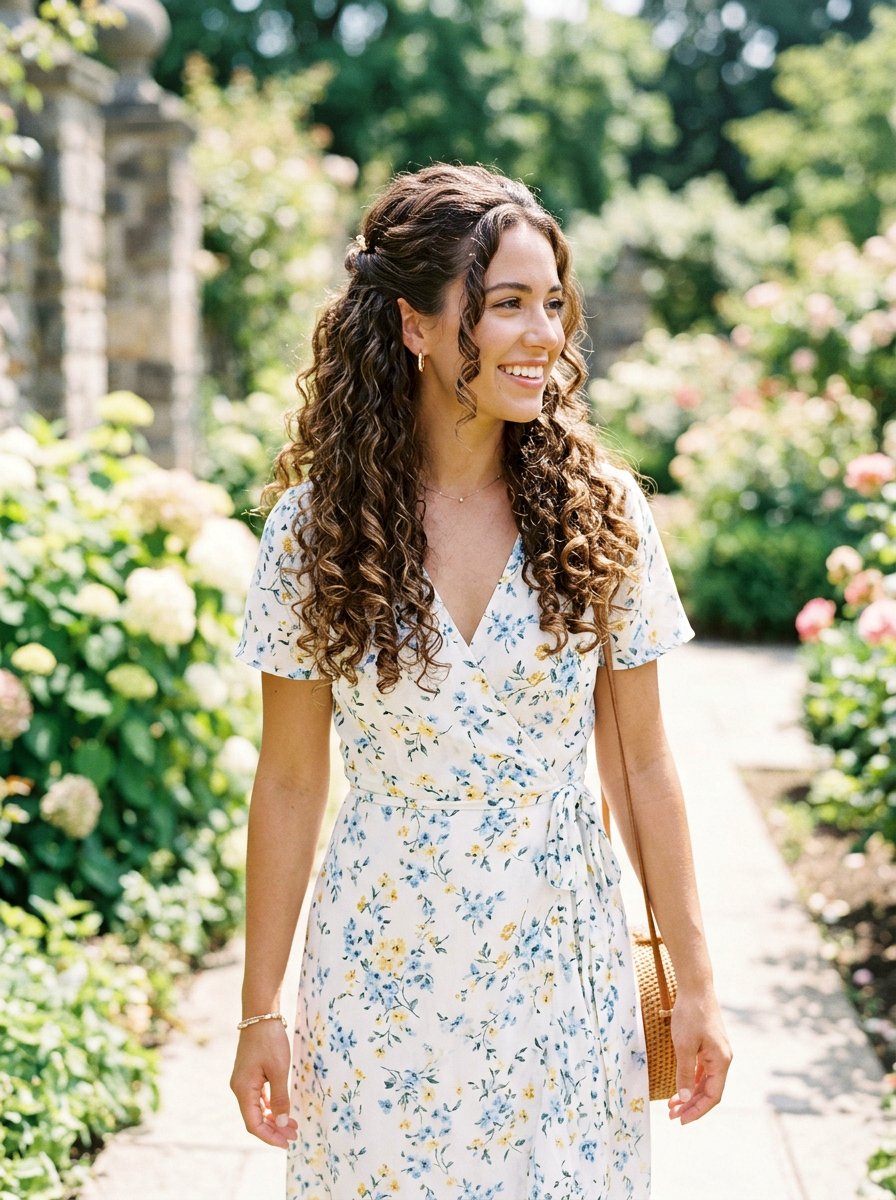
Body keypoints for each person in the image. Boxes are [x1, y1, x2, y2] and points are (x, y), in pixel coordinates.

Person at [229, 162, 731, 1199]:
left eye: (553, 302)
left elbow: (641, 764)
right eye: (506, 304)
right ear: (416, 326)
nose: (542, 333)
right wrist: (258, 1009)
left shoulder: (598, 512)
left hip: (563, 974)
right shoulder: (313, 532)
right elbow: (286, 781)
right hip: (380, 977)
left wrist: (692, 981)